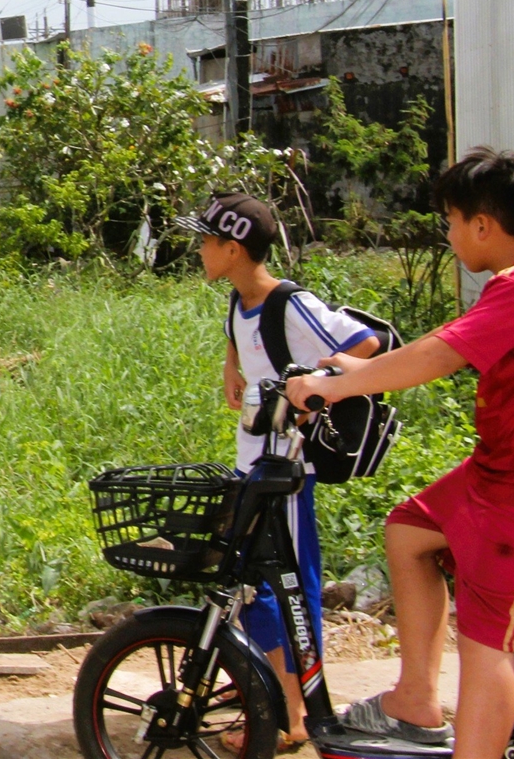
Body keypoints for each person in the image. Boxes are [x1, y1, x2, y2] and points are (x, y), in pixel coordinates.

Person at [289, 148, 514, 758]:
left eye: (451, 221)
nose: (448, 233)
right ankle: (415, 699)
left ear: (482, 225)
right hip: (499, 471)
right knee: (410, 530)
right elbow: (443, 344)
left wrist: (334, 385)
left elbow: (440, 356)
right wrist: (361, 368)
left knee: (487, 643)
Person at [176, 192, 379, 749]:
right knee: (249, 587)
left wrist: (318, 387)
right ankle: (271, 694)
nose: (198, 249)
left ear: (233, 248)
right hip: (253, 468)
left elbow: (364, 342)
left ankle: (293, 714)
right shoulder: (239, 300)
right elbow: (239, 338)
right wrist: (232, 365)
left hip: (287, 474)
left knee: (286, 588)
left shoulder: (289, 303)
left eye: (205, 240)